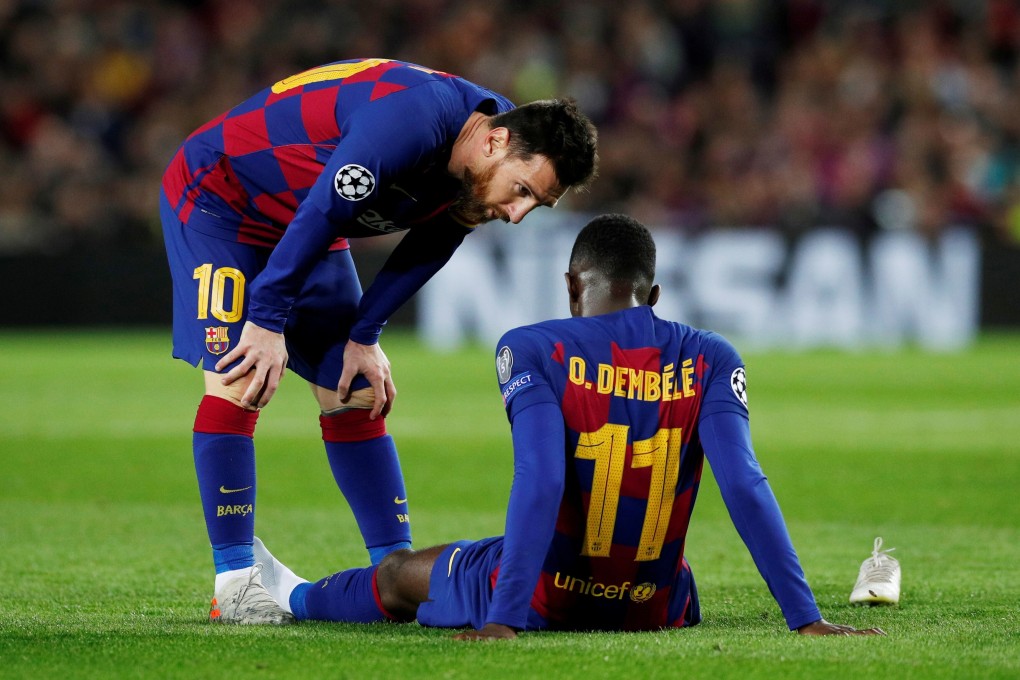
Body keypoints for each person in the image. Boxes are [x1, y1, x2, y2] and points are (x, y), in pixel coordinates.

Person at [251, 214, 885, 639]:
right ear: (654, 292)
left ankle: (290, 598)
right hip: (654, 608)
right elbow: (744, 483)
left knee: (398, 576)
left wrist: (504, 618)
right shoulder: (712, 356)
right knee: (671, 565)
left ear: (571, 285)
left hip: (546, 597)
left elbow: (543, 477)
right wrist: (806, 620)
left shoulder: (533, 348)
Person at [159, 57, 598, 624]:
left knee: (356, 389)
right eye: (522, 191)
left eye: (534, 204)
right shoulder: (410, 122)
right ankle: (236, 581)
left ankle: (396, 573)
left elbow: (429, 246)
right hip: (221, 199)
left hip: (306, 221)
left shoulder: (478, 158)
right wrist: (265, 321)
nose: (517, 214)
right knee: (242, 376)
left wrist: (364, 335)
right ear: (495, 142)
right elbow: (325, 209)